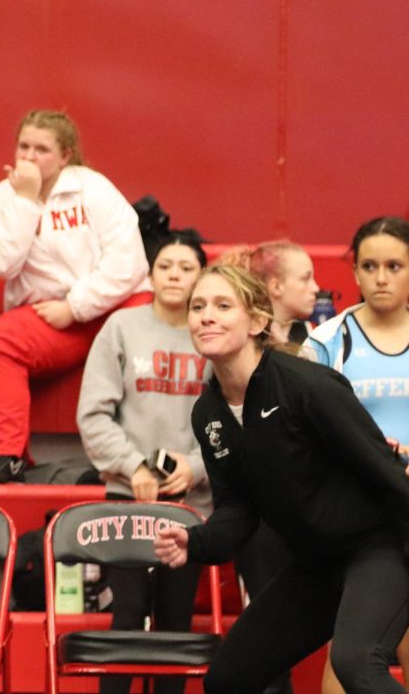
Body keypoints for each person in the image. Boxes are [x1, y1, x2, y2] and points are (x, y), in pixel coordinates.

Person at [154, 264, 409, 693]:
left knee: (356, 661)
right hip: (317, 563)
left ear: (256, 322)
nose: (206, 316)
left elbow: (384, 472)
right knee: (228, 677)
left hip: (380, 548)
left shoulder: (308, 386)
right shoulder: (209, 414)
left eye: (222, 305)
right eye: (198, 307)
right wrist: (195, 542)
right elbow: (238, 507)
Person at [0, 109, 150, 482]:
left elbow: (128, 262)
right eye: (24, 147)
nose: (30, 157)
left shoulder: (93, 188)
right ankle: (7, 457)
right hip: (50, 319)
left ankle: (149, 453)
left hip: (112, 307)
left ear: (65, 155)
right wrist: (25, 202)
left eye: (42, 149)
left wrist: (76, 305)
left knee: (153, 326)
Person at [75, 234, 211, 694]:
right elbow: (93, 414)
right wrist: (133, 466)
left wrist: (195, 467)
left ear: (202, 277)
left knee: (175, 622)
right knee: (128, 614)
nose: (174, 274)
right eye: (165, 265)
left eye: (186, 267)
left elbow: (232, 422)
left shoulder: (211, 333)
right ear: (150, 274)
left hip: (191, 503)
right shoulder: (121, 326)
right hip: (126, 497)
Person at [302, 216, 409, 694]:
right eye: (370, 265)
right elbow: (301, 435)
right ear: (355, 274)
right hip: (358, 519)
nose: (381, 277)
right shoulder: (325, 342)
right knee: (351, 654)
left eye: (394, 265)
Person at [218, 241, 319, 345]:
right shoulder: (241, 338)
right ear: (276, 286)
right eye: (305, 279)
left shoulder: (316, 335)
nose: (316, 288)